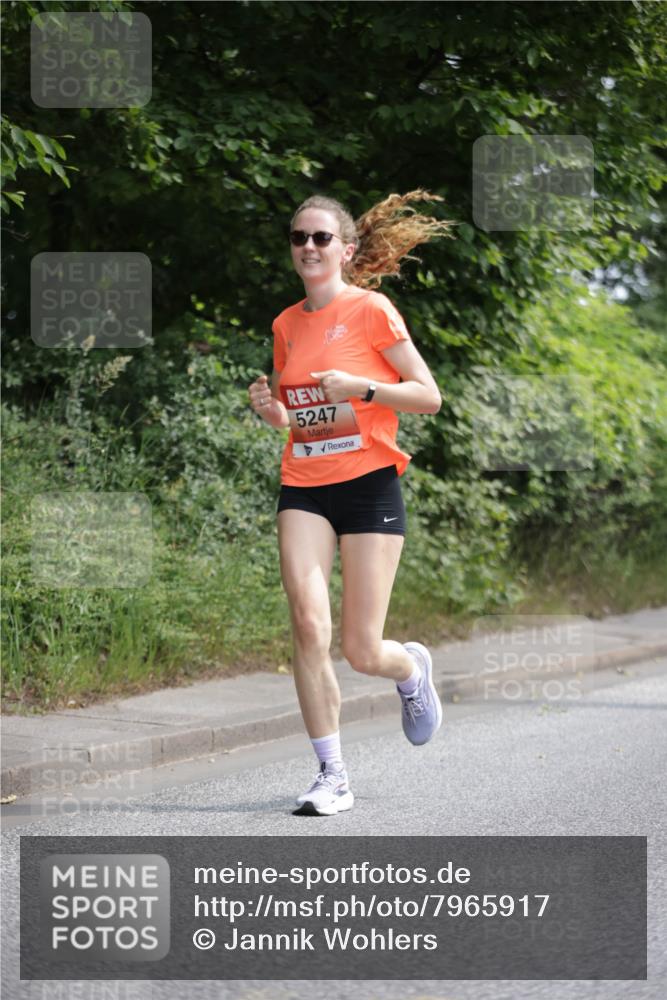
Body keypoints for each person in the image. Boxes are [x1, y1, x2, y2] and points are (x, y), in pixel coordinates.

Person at [248, 189, 455, 816]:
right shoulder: (286, 324)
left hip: (368, 485)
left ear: (346, 249)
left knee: (362, 651)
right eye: (299, 237)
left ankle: (409, 670)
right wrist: (271, 412)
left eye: (321, 237)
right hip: (304, 485)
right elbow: (294, 416)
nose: (308, 247)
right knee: (309, 625)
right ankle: (331, 775)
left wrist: (363, 387)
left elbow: (428, 395)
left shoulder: (372, 310)